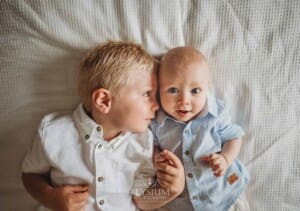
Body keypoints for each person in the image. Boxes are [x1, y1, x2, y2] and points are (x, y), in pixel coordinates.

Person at [21, 41, 185, 211]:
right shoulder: (54, 132)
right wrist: (49, 197)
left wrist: (169, 190)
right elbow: (30, 174)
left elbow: (141, 201)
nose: (157, 105)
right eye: (147, 94)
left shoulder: (143, 141)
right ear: (104, 101)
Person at [151, 46, 250, 211]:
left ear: (207, 89)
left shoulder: (215, 115)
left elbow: (234, 136)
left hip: (223, 191)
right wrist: (156, 160)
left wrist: (225, 158)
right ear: (159, 90)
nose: (184, 100)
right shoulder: (157, 122)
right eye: (173, 90)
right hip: (182, 200)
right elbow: (151, 146)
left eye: (195, 91)